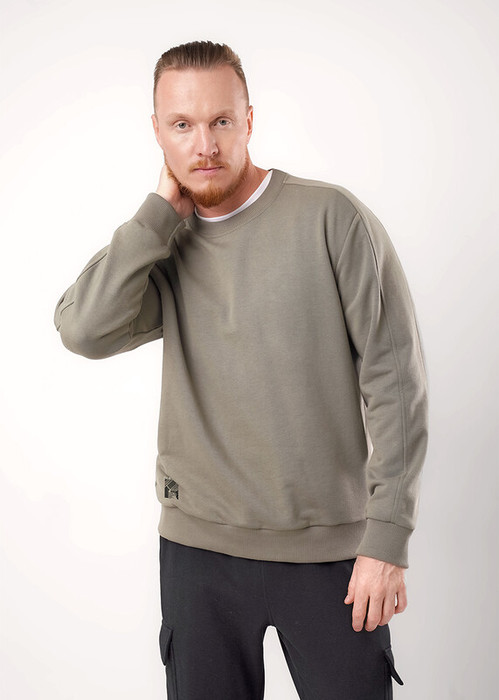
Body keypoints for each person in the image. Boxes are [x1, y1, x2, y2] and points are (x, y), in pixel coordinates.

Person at [54, 40, 428, 699]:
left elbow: (395, 386)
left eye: (220, 121)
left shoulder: (331, 219)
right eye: (182, 125)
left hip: (331, 556)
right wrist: (154, 217)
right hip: (198, 556)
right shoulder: (163, 246)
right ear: (156, 133)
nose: (204, 145)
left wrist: (387, 540)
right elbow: (82, 328)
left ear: (249, 121)